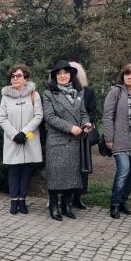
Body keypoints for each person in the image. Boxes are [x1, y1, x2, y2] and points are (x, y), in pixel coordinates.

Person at [42, 59, 92, 220]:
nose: (62, 76)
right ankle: (54, 206)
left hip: (75, 142)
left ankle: (66, 205)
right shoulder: (49, 94)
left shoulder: (78, 92)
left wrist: (86, 123)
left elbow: (83, 113)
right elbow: (49, 117)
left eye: (65, 73)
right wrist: (70, 128)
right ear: (55, 76)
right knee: (56, 176)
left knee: (71, 176)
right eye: (59, 73)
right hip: (57, 141)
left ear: (71, 75)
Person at [103, 63, 131, 219]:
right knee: (124, 170)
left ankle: (123, 202)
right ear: (122, 76)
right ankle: (114, 204)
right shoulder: (115, 92)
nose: (129, 76)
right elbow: (107, 116)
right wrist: (109, 138)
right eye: (127, 74)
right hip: (120, 140)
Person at [0, 63, 43, 214]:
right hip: (12, 139)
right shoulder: (5, 97)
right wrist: (14, 134)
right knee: (13, 171)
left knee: (25, 171)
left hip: (29, 137)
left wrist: (24, 133)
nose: (15, 78)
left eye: (19, 75)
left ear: (25, 78)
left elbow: (38, 116)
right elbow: (2, 118)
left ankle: (22, 200)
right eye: (13, 76)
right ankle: (14, 201)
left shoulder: (34, 95)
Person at [69, 61, 96, 210]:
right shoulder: (61, 91)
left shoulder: (88, 92)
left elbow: (92, 112)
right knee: (68, 166)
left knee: (82, 167)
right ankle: (66, 196)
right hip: (67, 133)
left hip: (82, 135)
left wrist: (85, 124)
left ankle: (78, 197)